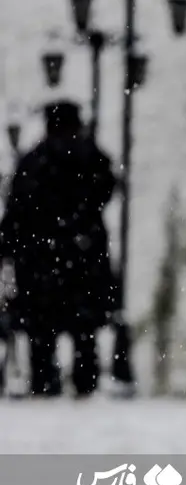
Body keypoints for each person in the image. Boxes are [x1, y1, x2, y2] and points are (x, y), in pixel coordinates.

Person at [0, 99, 118, 397]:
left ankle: (45, 383)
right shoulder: (92, 157)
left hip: (41, 261)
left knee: (42, 335)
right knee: (84, 334)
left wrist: (8, 249)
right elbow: (105, 191)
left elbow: (17, 212)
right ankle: (85, 383)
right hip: (83, 259)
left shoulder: (34, 161)